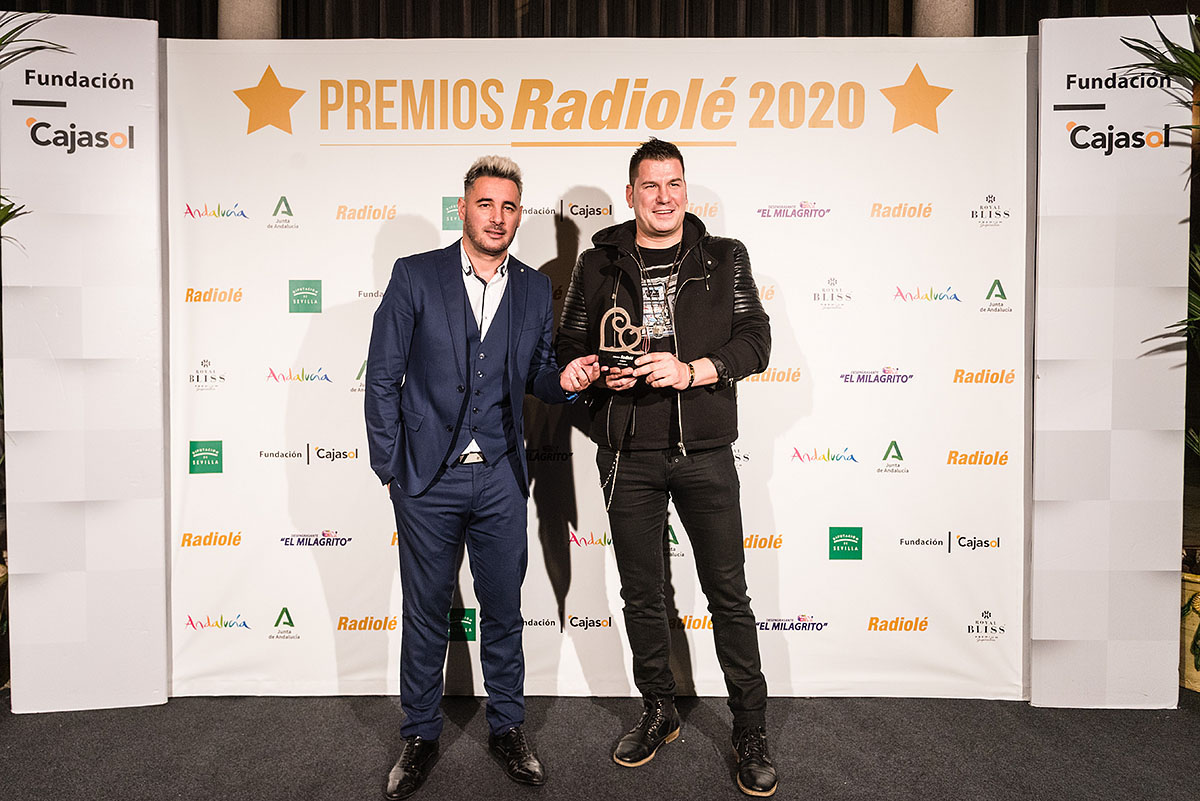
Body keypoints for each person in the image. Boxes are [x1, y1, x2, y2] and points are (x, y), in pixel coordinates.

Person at [365, 155, 600, 800]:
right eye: (486, 204)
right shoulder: (415, 275)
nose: (498, 217)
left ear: (519, 216)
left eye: (509, 206)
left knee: (503, 609)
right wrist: (392, 468)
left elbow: (540, 373)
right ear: (463, 208)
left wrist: (566, 380)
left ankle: (507, 728)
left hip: (500, 476)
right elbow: (382, 375)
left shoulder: (532, 288)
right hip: (427, 480)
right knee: (424, 612)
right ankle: (419, 734)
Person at [555, 139, 777, 797]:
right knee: (642, 592)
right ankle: (659, 708)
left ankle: (750, 729)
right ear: (631, 194)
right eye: (650, 185)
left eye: (673, 183)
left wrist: (693, 371)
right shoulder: (596, 263)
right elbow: (568, 347)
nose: (663, 197)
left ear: (687, 189)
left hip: (704, 452)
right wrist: (589, 374)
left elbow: (756, 341)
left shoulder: (724, 257)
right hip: (628, 453)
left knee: (728, 592)